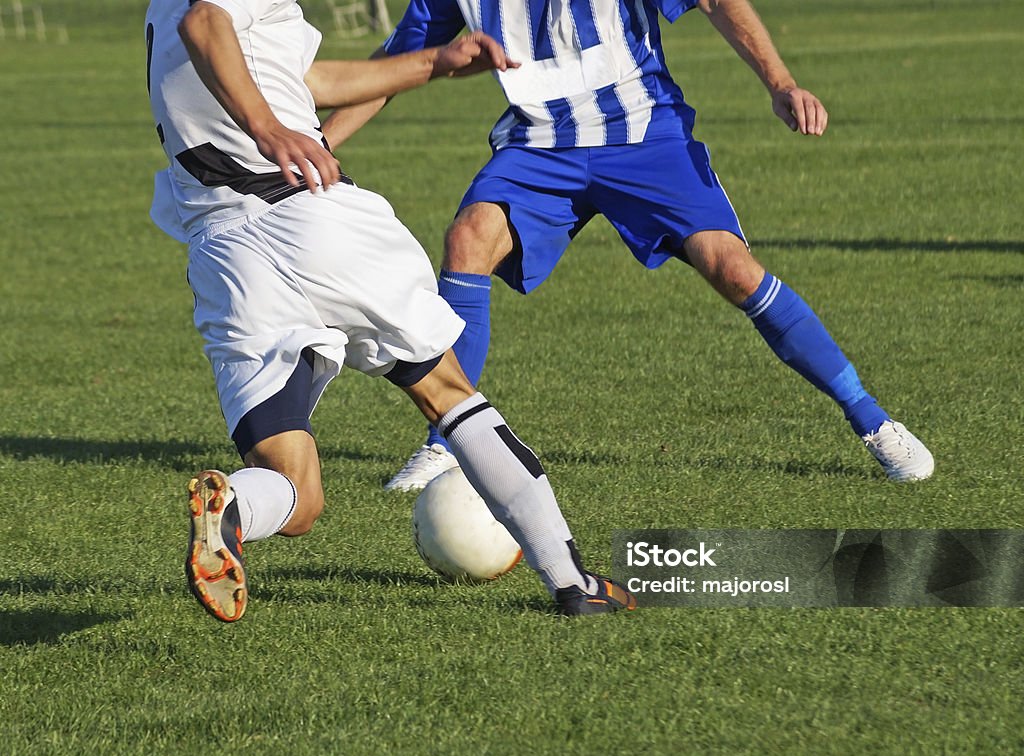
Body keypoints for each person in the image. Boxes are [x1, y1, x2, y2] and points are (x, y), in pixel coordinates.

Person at [145, 0, 636, 620]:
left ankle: (235, 508)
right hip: (308, 216)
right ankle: (573, 583)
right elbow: (206, 23)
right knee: (447, 392)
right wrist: (270, 131)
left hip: (225, 256)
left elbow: (298, 79)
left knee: (296, 494)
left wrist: (432, 62)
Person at [321, 0, 935, 491]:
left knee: (734, 270)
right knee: (469, 238)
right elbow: (395, 68)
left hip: (646, 135)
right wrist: (319, 145)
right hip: (541, 145)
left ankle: (873, 420)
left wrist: (781, 83)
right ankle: (447, 446)